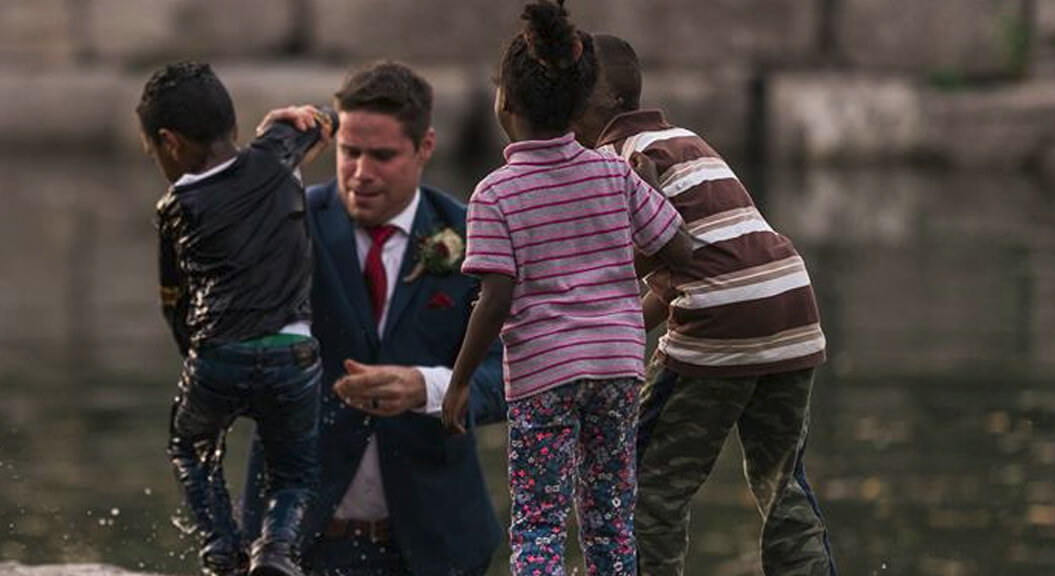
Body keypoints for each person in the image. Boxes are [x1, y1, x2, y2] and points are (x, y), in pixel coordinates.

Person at [571, 34, 839, 576]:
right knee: (782, 481)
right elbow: (687, 271)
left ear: (590, 107)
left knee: (645, 483)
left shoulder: (611, 162)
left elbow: (627, 272)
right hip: (792, 306)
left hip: (720, 317)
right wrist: (624, 327)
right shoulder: (684, 139)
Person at [441, 2, 692, 575]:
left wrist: (459, 382)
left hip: (543, 374)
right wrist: (648, 193)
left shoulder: (495, 195)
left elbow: (496, 299)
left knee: (539, 517)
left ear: (504, 101)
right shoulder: (614, 172)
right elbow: (679, 249)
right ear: (582, 104)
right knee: (608, 512)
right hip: (618, 365)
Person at [240, 61, 507, 576]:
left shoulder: (473, 236)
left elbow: (512, 375)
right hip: (294, 544)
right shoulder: (289, 222)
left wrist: (427, 387)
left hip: (437, 547)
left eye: (382, 156)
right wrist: (263, 172)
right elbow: (226, 300)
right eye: (350, 152)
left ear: (425, 147)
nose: (361, 172)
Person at [138, 60, 333, 576]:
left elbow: (173, 299)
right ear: (234, 127)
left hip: (217, 353)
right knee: (293, 475)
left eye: (151, 149)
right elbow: (326, 117)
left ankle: (221, 547)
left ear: (169, 142)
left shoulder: (174, 205)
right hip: (293, 353)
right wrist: (292, 122)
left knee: (190, 446)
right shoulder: (278, 155)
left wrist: (196, 357)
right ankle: (275, 550)